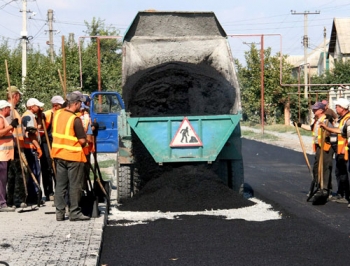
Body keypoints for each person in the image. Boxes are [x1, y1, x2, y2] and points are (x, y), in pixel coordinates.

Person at [51, 91, 90, 221]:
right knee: (75, 185)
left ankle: (59, 213)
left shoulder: (56, 115)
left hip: (59, 155)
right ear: (76, 103)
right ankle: (74, 212)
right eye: (80, 104)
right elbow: (82, 141)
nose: (81, 106)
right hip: (73, 157)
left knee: (60, 185)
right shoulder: (75, 119)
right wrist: (87, 143)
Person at [295, 102, 334, 203]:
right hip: (318, 147)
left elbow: (333, 132)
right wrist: (299, 125)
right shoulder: (317, 120)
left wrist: (329, 137)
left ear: (321, 110)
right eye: (313, 109)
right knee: (316, 168)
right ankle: (318, 185)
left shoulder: (327, 120)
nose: (313, 111)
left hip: (326, 147)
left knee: (325, 168)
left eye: (315, 109)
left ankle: (325, 190)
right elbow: (311, 128)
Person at [320, 98, 350, 207]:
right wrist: (328, 127)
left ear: (342, 108)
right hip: (339, 149)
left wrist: (344, 148)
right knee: (339, 172)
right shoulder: (342, 118)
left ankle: (346, 196)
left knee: (343, 174)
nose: (336, 108)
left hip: (344, 151)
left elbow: (344, 134)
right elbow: (339, 130)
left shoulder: (348, 119)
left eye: (337, 106)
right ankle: (341, 193)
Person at [40, 95, 65, 201]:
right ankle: (49, 191)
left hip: (56, 144)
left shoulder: (61, 114)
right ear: (55, 105)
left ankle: (59, 191)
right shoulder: (47, 114)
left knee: (58, 168)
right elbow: (41, 131)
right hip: (47, 144)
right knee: (48, 168)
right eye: (60, 105)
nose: (62, 106)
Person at [5, 86, 27, 208]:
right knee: (17, 173)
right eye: (18, 95)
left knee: (15, 173)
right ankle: (15, 200)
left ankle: (13, 199)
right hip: (14, 146)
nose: (19, 98)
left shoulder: (14, 109)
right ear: (15, 96)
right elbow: (9, 128)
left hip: (17, 145)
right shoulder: (9, 110)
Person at [21, 98, 44, 205]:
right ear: (31, 107)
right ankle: (33, 196)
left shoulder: (29, 115)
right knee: (34, 171)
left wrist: (39, 117)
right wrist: (38, 147)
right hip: (30, 147)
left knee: (34, 171)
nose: (38, 108)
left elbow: (36, 129)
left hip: (29, 147)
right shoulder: (29, 116)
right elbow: (31, 134)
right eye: (37, 106)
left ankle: (33, 195)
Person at [0, 100, 18, 212]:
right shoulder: (0, 118)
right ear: (4, 108)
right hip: (1, 155)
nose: (10, 110)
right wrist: (11, 126)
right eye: (8, 108)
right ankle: (2, 203)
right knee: (1, 181)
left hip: (4, 155)